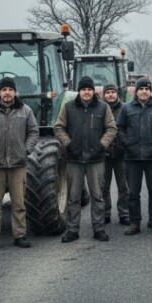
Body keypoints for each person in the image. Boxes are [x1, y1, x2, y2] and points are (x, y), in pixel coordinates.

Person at [0, 77, 39, 251]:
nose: (7, 93)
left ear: (15, 92)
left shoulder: (25, 111)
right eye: (4, 90)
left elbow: (34, 132)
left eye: (10, 89)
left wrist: (25, 150)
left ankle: (19, 236)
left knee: (19, 203)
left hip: (18, 165)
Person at [54, 76, 117, 243]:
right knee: (73, 197)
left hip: (96, 159)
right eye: (83, 89)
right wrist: (69, 144)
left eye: (89, 89)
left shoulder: (103, 107)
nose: (86, 92)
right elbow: (58, 128)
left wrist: (102, 145)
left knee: (98, 196)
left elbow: (111, 128)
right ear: (79, 91)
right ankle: (72, 230)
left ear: (93, 91)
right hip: (74, 159)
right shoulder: (68, 107)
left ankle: (99, 229)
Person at [115, 77, 152, 235]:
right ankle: (134, 222)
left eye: (147, 89)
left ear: (151, 91)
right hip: (132, 158)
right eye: (141, 89)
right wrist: (127, 143)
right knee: (133, 193)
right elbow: (119, 128)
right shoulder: (126, 108)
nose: (144, 92)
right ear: (136, 91)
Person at [102, 83, 130, 226]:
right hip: (104, 155)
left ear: (117, 94)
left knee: (123, 187)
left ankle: (124, 214)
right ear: (104, 95)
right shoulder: (100, 108)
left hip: (121, 154)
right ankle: (105, 213)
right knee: (103, 187)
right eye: (108, 92)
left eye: (113, 92)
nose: (110, 95)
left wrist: (126, 144)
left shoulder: (125, 108)